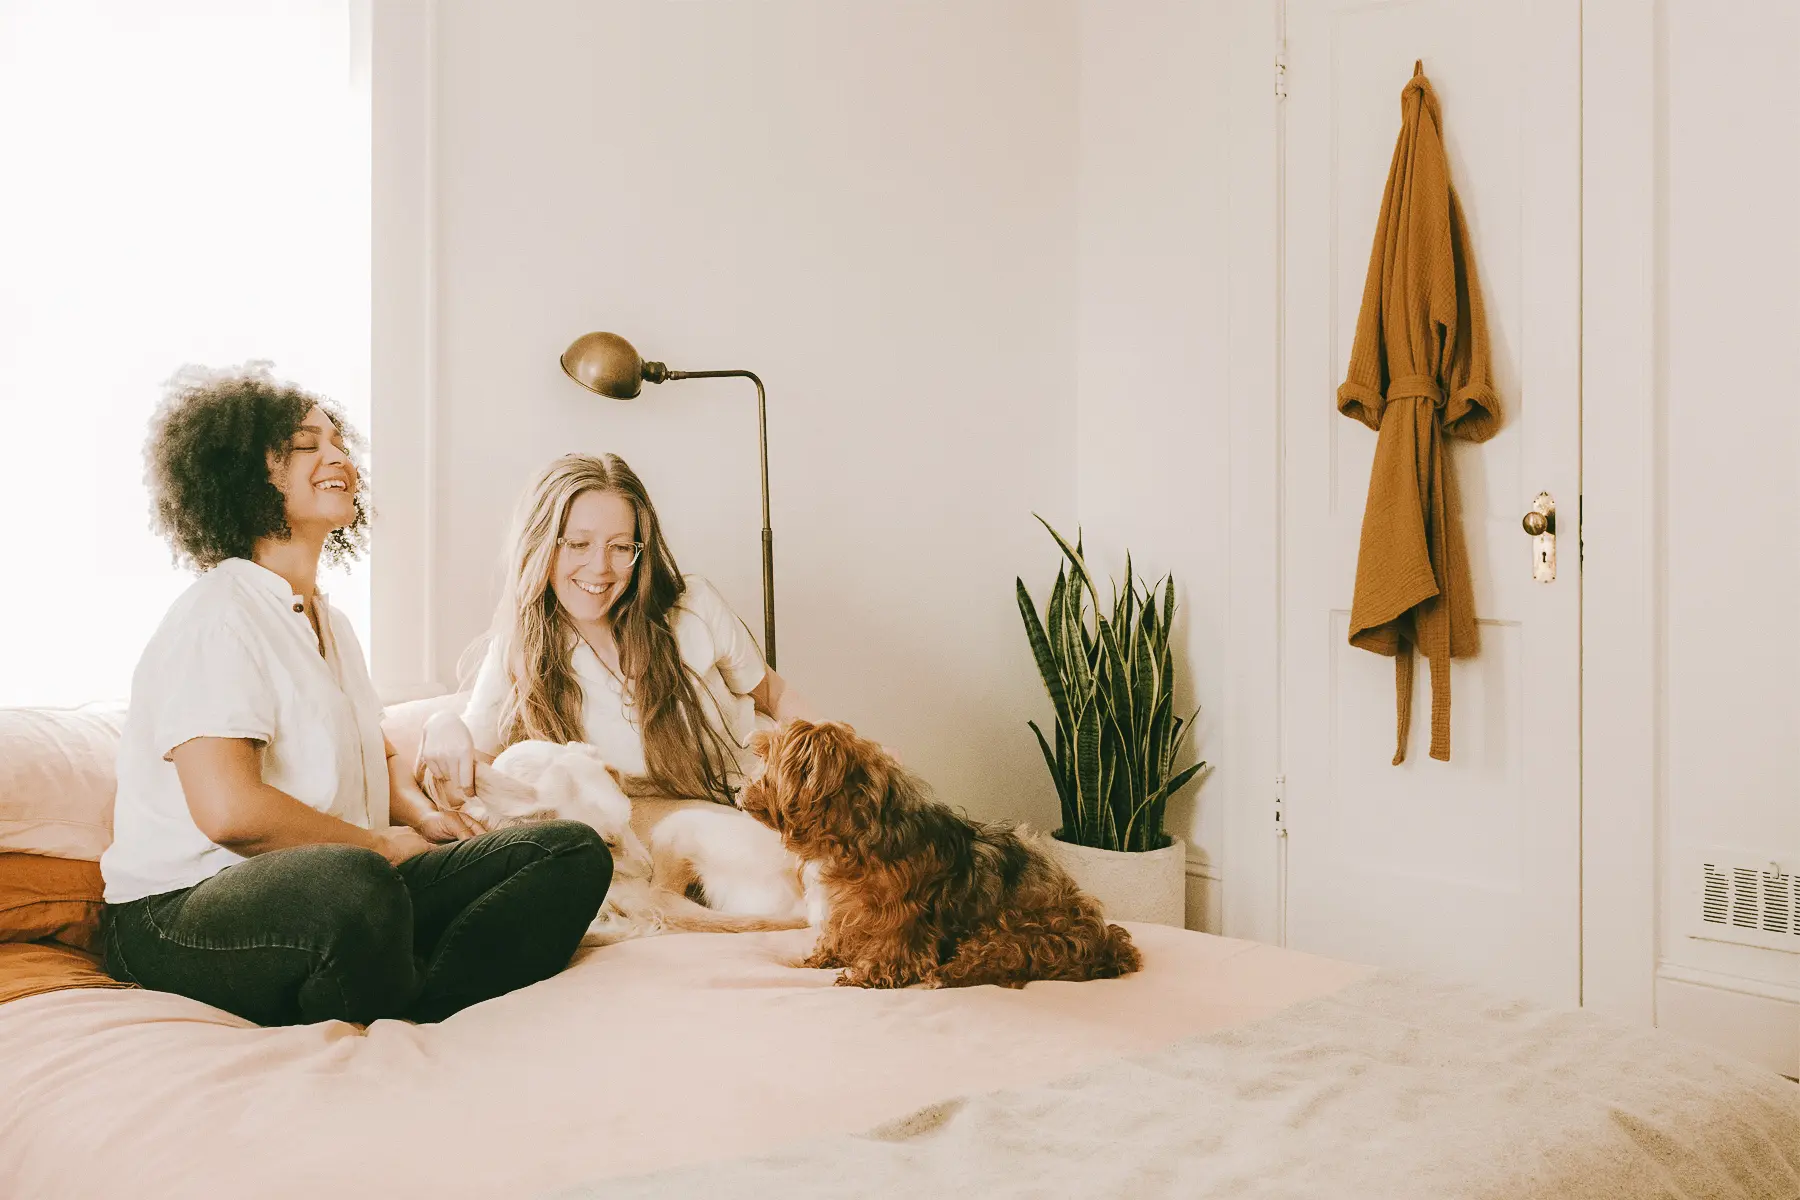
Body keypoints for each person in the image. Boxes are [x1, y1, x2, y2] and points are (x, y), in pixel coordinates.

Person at [100, 365, 611, 1027]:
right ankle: (395, 985)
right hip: (180, 913)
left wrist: (428, 823)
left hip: (348, 882)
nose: (338, 456)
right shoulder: (219, 615)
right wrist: (380, 846)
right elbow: (231, 812)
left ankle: (413, 1000)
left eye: (338, 441)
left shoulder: (328, 622)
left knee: (567, 851)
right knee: (357, 886)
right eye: (308, 444)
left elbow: (379, 752)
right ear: (243, 474)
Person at [416, 452, 812, 813]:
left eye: (621, 547)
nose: (600, 567)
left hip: (763, 809)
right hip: (657, 842)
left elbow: (774, 696)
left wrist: (831, 766)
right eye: (578, 544)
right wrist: (442, 724)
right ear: (542, 546)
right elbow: (464, 783)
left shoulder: (693, 606)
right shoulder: (519, 650)